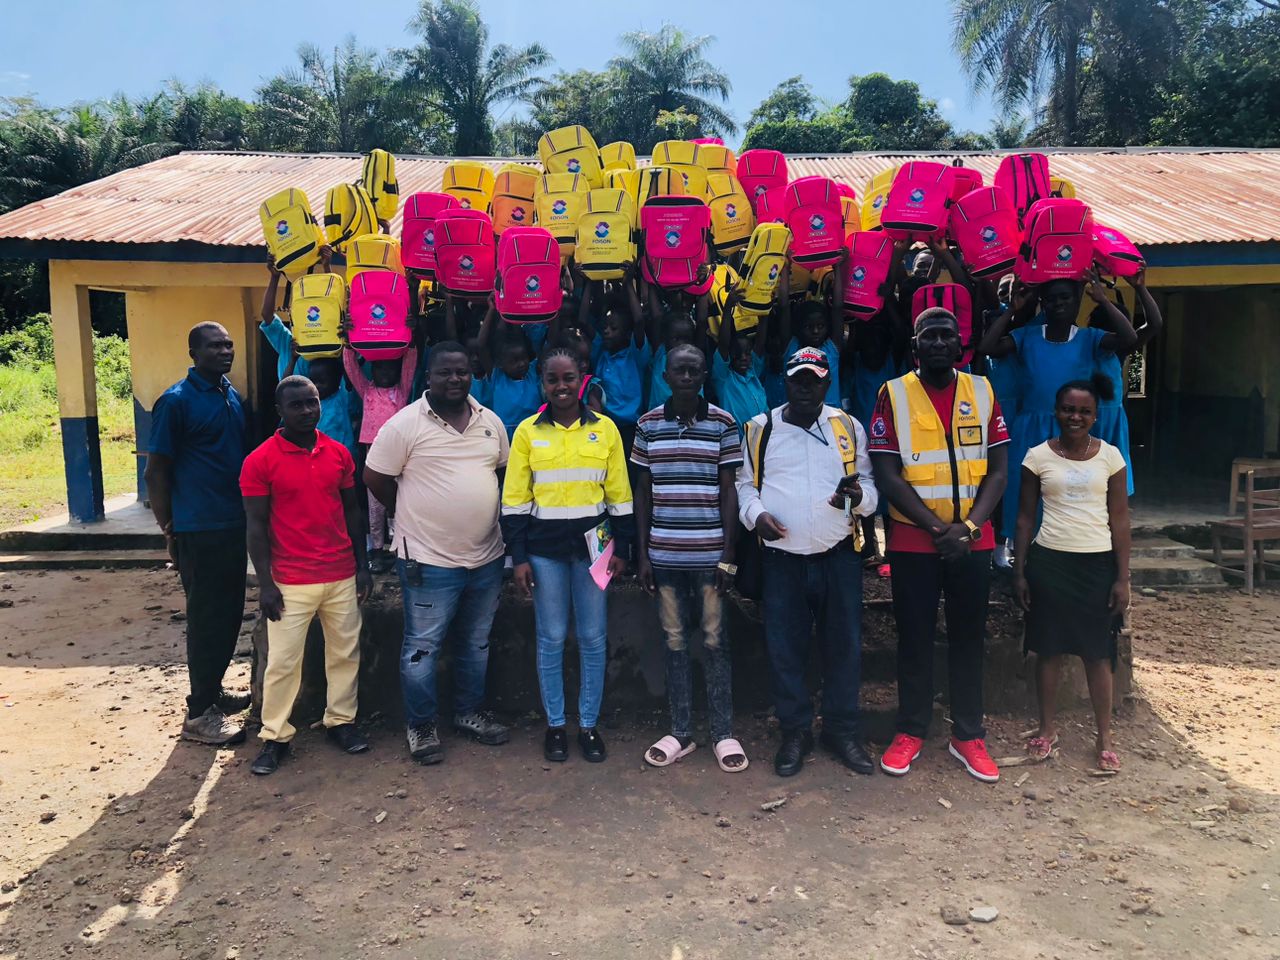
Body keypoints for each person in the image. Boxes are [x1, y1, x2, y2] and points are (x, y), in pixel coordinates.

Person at [869, 308, 1010, 783]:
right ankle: (911, 730)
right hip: (914, 541)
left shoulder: (983, 391)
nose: (937, 343)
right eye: (928, 336)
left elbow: (999, 470)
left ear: (959, 346)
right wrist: (936, 527)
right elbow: (886, 474)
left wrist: (968, 528)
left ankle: (968, 735)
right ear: (914, 347)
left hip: (973, 540)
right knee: (913, 639)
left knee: (969, 637)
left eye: (945, 336)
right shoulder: (892, 394)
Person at [364, 342, 512, 764]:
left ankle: (469, 713)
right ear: (428, 376)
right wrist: (406, 511)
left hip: (486, 557)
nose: (454, 380)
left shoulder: (491, 423)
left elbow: (499, 474)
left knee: (476, 642)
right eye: (445, 372)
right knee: (422, 646)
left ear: (472, 375)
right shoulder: (404, 424)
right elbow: (374, 476)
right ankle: (422, 725)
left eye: (462, 372)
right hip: (427, 560)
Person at [737, 347, 879, 778]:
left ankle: (841, 729)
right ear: (785, 381)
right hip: (782, 562)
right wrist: (756, 516)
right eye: (797, 378)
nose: (804, 387)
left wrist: (858, 498)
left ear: (827, 383)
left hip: (838, 559)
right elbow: (745, 486)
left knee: (843, 648)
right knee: (785, 650)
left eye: (813, 379)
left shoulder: (847, 427)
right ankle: (795, 731)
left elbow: (870, 488)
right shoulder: (761, 429)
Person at [502, 348, 632, 764]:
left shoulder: (606, 429)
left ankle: (589, 726)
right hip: (544, 551)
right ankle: (556, 726)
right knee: (551, 637)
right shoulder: (526, 432)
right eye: (553, 379)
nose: (562, 387)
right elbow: (515, 501)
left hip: (594, 550)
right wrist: (518, 557)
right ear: (543, 383)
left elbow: (619, 495)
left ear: (582, 379)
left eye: (569, 378)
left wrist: (623, 548)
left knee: (593, 639)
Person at [241, 376, 372, 775]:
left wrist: (362, 566)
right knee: (282, 662)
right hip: (290, 581)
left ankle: (341, 722)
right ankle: (275, 736)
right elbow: (256, 526)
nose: (307, 411)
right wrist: (264, 583)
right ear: (280, 411)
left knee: (345, 653)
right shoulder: (259, 461)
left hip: (340, 574)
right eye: (296, 405)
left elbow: (353, 513)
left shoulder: (338, 454)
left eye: (312, 403)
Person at [632, 344, 747, 773]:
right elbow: (642, 493)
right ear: (665, 375)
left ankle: (723, 733)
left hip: (710, 554)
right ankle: (680, 732)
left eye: (695, 370)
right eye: (679, 369)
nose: (686, 377)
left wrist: (729, 553)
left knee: (716, 642)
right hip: (663, 556)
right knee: (675, 641)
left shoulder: (723, 423)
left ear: (704, 376)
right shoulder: (647, 425)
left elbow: (729, 490)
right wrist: (643, 554)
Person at [1014, 376, 1130, 773]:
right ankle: (1047, 729)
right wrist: (1020, 570)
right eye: (1068, 409)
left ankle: (1105, 738)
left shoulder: (1111, 458)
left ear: (1096, 416)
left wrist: (1123, 577)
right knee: (1048, 651)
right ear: (1056, 412)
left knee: (1098, 655)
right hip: (1049, 565)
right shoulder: (1037, 457)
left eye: (1084, 411)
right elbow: (1026, 517)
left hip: (1097, 566)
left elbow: (1120, 519)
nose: (1075, 416)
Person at [144, 322, 250, 746]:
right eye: (214, 346)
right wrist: (168, 526)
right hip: (198, 526)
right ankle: (198, 713)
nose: (224, 351)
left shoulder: (231, 395)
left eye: (228, 345)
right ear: (193, 353)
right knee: (207, 618)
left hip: (232, 521)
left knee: (228, 613)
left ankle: (214, 691)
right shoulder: (176, 402)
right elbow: (156, 471)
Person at [977, 274, 1137, 544]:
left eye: (1065, 297)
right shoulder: (1026, 336)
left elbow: (1130, 338)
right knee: (1025, 496)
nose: (1058, 304)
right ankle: (1022, 564)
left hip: (1071, 430)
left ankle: (1065, 551)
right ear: (1042, 303)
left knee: (1069, 494)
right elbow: (987, 347)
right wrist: (1012, 312)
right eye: (1050, 299)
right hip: (1029, 431)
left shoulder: (1090, 338)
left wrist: (1103, 300)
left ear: (1077, 302)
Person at [344, 340, 418, 571]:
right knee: (375, 505)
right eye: (380, 368)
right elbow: (351, 368)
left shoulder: (402, 390)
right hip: (373, 453)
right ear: (372, 370)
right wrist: (348, 345)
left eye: (391, 368)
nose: (385, 372)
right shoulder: (366, 391)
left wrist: (412, 343)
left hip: (399, 454)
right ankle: (376, 551)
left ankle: (399, 551)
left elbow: (410, 364)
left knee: (398, 502)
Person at [1087, 270, 1163, 497]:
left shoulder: (1119, 351)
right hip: (1086, 424)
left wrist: (1140, 288)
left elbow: (1154, 323)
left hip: (1111, 424)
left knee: (1112, 484)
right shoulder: (1083, 345)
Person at [587, 273, 650, 455]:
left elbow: (638, 321)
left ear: (627, 333)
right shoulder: (600, 353)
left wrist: (628, 284)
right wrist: (592, 279)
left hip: (631, 427)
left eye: (614, 329)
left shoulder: (636, 355)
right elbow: (585, 322)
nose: (607, 332)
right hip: (605, 426)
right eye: (605, 328)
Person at [472, 296, 543, 441]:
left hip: (533, 433)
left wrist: (513, 306)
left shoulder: (533, 373)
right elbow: (481, 345)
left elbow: (549, 342)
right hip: (503, 436)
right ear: (500, 363)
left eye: (524, 358)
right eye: (514, 361)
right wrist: (492, 309)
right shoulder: (497, 376)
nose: (522, 363)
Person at [710, 283, 771, 437]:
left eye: (747, 353)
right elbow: (724, 344)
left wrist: (764, 304)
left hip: (764, 439)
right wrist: (728, 307)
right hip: (739, 444)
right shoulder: (724, 377)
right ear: (730, 355)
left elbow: (760, 342)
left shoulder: (753, 371)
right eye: (738, 353)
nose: (744, 358)